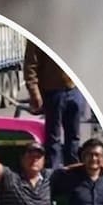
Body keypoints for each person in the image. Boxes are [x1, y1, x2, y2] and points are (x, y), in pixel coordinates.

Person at [24, 41, 83, 169]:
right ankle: (54, 173)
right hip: (53, 91)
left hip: (75, 89)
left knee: (74, 137)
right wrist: (34, 92)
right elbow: (30, 64)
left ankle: (74, 171)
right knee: (53, 138)